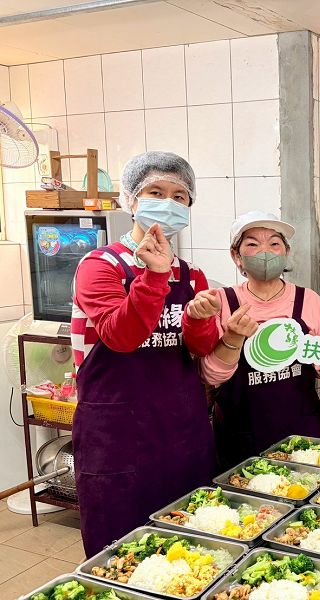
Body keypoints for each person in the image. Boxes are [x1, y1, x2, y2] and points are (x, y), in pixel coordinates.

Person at [71, 151, 220, 556]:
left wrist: (201, 320)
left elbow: (201, 348)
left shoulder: (191, 274)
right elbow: (121, 336)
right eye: (156, 192)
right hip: (116, 432)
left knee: (189, 545)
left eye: (179, 196)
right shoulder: (100, 265)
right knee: (120, 550)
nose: (168, 202)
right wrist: (154, 275)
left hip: (181, 430)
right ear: (131, 200)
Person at [201, 211, 320, 469]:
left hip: (300, 434)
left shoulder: (310, 301)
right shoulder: (221, 301)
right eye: (252, 244)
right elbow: (210, 375)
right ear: (236, 256)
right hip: (240, 436)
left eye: (274, 243)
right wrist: (233, 337)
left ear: (286, 252)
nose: (265, 252)